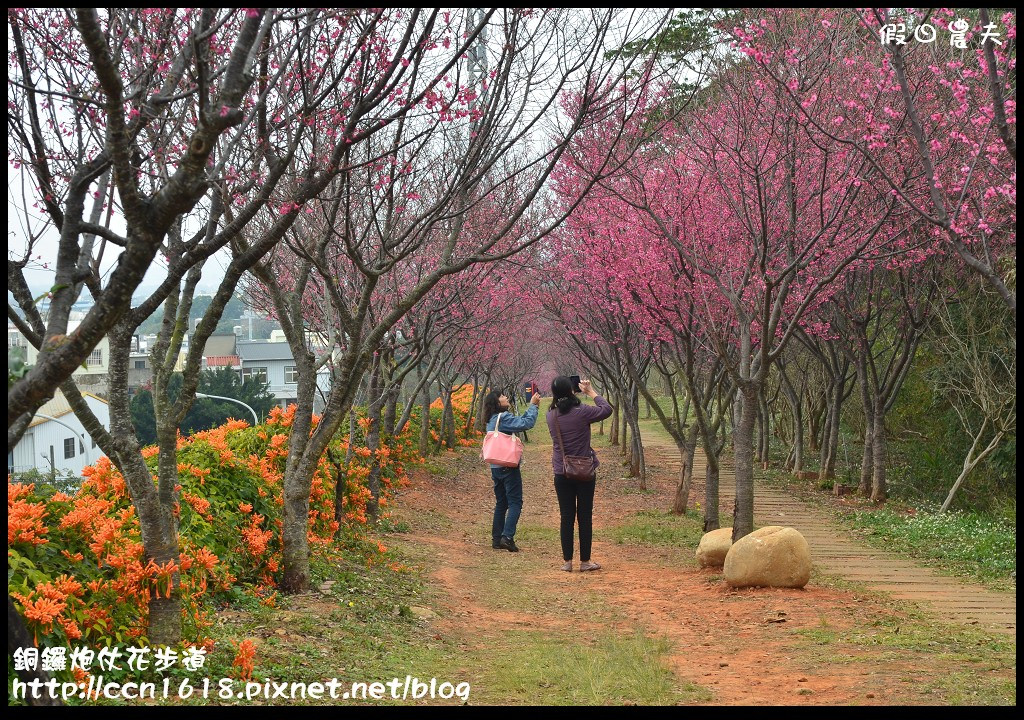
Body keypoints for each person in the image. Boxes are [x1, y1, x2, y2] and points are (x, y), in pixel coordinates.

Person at [546, 376, 613, 572]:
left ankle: (567, 562)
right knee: (584, 516)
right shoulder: (582, 412)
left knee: (566, 516)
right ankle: (585, 562)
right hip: (584, 471)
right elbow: (607, 410)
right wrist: (591, 392)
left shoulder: (551, 415)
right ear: (572, 391)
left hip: (562, 471)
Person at [483, 388, 541, 552]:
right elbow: (526, 424)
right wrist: (533, 406)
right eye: (501, 396)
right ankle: (507, 537)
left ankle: (496, 538)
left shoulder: (492, 419)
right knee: (515, 502)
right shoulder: (504, 418)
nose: (505, 397)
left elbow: (518, 422)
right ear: (496, 402)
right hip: (508, 466)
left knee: (502, 502)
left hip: (495, 466)